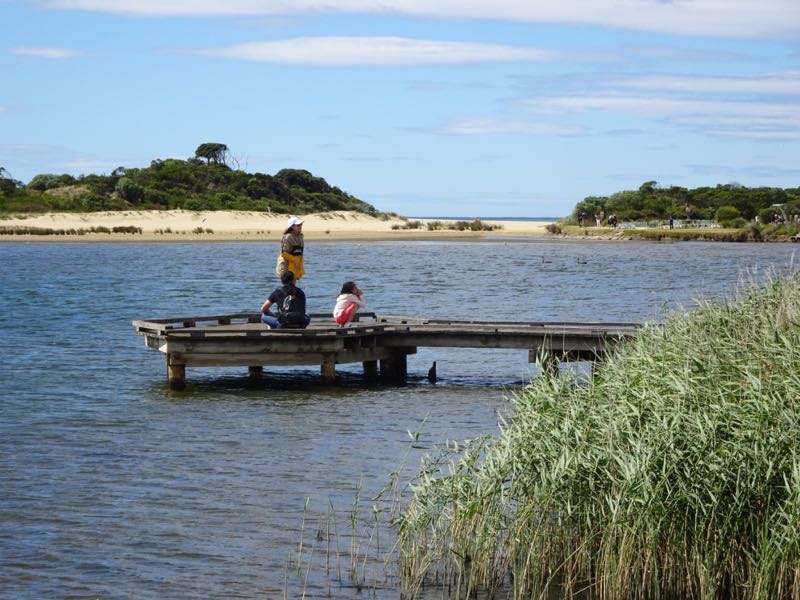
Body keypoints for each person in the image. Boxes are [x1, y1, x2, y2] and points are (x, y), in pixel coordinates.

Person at [276, 216, 305, 281]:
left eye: (301, 224)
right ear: (292, 227)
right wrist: (295, 260)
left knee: (293, 287)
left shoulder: (300, 237)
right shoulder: (288, 237)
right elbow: (284, 254)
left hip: (296, 266)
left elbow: (299, 253)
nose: (300, 226)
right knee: (287, 287)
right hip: (286, 266)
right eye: (298, 225)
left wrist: (300, 266)